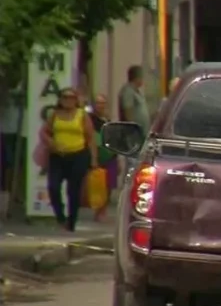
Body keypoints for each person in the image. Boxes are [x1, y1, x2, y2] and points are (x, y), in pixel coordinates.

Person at [41, 88, 98, 232]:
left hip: (77, 155)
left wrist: (93, 159)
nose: (68, 100)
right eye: (65, 97)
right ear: (60, 100)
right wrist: (49, 141)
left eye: (71, 98)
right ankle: (60, 217)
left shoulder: (82, 115)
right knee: (53, 187)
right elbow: (44, 131)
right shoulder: (54, 115)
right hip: (57, 156)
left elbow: (90, 138)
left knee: (73, 191)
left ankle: (71, 222)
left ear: (76, 100)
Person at [87, 94, 118, 222]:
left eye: (103, 103)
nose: (100, 105)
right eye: (98, 103)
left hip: (110, 156)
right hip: (98, 155)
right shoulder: (89, 119)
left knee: (109, 184)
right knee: (99, 185)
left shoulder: (108, 120)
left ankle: (103, 210)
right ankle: (98, 212)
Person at [118, 65, 150, 135]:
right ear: (137, 78)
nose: (143, 79)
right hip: (133, 135)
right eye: (142, 77)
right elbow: (128, 113)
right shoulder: (128, 91)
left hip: (141, 133)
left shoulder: (137, 91)